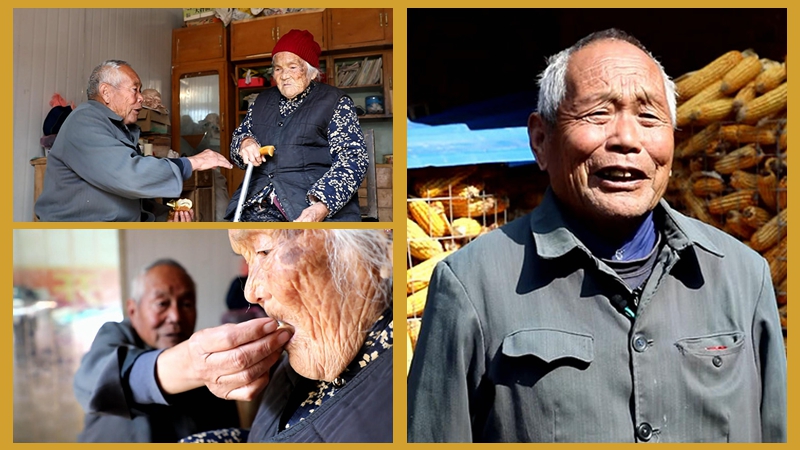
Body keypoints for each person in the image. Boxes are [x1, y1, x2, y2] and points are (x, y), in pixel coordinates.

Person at [406, 28, 786, 443]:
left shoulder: (744, 277)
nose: (626, 139)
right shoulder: (470, 287)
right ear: (540, 140)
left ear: (672, 143)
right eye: (597, 114)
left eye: (649, 116)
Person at [34, 59, 233, 222]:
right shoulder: (84, 120)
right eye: (135, 90)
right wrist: (192, 162)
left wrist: (166, 216)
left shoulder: (119, 127)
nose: (141, 98)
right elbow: (129, 175)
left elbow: (130, 202)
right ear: (106, 93)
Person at [73, 259, 240, 442]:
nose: (175, 317)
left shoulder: (207, 356)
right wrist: (188, 366)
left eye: (186, 304)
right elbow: (93, 381)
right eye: (162, 304)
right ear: (132, 310)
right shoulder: (115, 336)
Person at [225, 29, 368, 222]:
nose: (284, 76)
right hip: (255, 202)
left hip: (308, 205)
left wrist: (322, 205)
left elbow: (353, 159)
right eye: (278, 69)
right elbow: (238, 143)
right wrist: (245, 142)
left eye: (292, 67)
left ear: (310, 71)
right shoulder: (260, 101)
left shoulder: (335, 102)